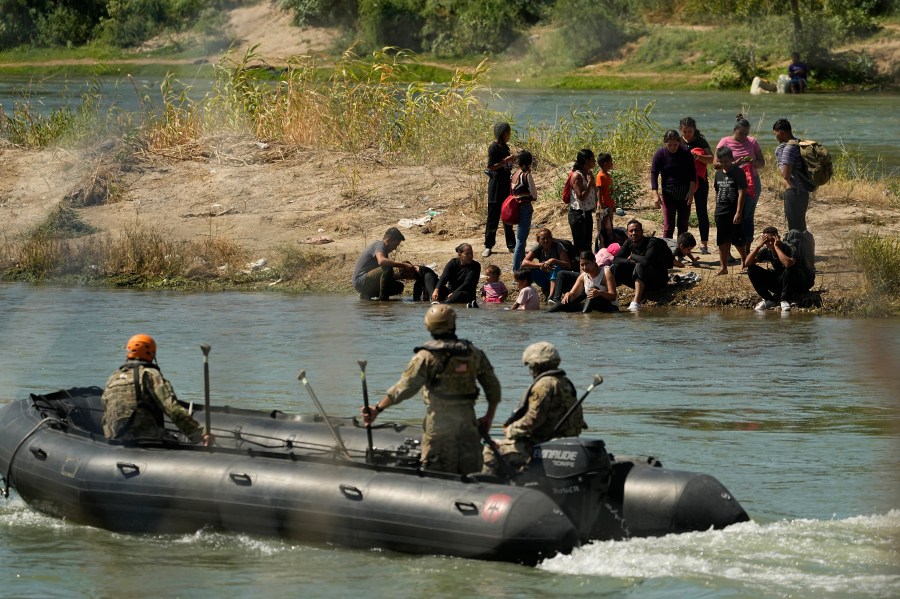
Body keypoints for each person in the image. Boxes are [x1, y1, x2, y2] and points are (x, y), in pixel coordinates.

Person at [361, 305, 501, 474]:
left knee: (435, 475)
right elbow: (493, 388)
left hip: (439, 428)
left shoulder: (426, 357)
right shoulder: (473, 353)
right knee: (471, 476)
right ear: (453, 323)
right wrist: (489, 417)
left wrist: (377, 409)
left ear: (429, 326)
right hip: (468, 428)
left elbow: (405, 388)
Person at [482, 342, 583, 474]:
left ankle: (483, 489)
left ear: (535, 365)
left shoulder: (544, 385)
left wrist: (511, 430)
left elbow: (533, 419)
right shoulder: (565, 382)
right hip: (562, 441)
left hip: (542, 445)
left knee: (491, 450)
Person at [101, 334, 209, 444]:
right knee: (176, 441)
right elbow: (171, 407)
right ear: (152, 354)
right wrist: (199, 434)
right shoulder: (150, 374)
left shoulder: (113, 378)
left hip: (116, 440)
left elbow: (106, 414)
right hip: (146, 438)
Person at [715, 114, 765, 255]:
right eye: (741, 133)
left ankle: (748, 252)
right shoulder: (724, 142)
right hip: (730, 181)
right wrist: (733, 164)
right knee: (730, 216)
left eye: (746, 133)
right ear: (734, 129)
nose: (744, 136)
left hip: (751, 181)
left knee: (747, 216)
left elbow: (762, 163)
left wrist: (752, 162)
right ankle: (728, 252)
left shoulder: (752, 142)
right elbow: (715, 164)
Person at [610, 219, 673, 312]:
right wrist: (630, 262)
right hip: (641, 278)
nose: (634, 233)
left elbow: (646, 261)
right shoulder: (628, 242)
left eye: (636, 230)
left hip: (657, 281)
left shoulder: (652, 243)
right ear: (627, 233)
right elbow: (616, 259)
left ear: (642, 232)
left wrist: (632, 256)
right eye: (631, 231)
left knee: (640, 266)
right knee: (615, 267)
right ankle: (612, 299)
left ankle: (636, 302)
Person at [745, 226, 809, 312]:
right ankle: (769, 299)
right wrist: (758, 246)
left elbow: (788, 264)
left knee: (788, 269)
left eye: (772, 240)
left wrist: (777, 247)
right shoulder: (766, 250)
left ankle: (784, 300)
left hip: (796, 283)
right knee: (751, 269)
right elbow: (747, 263)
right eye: (767, 241)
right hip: (781, 283)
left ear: (777, 238)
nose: (770, 243)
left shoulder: (789, 248)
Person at [651, 130, 697, 240]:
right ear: (665, 143)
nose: (672, 147)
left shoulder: (686, 152)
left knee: (683, 225)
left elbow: (692, 174)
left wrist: (691, 193)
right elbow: (654, 173)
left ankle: (680, 251)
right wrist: (655, 194)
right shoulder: (660, 154)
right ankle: (668, 251)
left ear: (679, 142)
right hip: (668, 193)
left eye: (675, 145)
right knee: (668, 226)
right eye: (669, 145)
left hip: (685, 193)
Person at [352, 227, 417, 300]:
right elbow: (381, 261)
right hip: (360, 281)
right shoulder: (379, 244)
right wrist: (403, 265)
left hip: (367, 281)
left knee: (399, 287)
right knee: (387, 267)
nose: (395, 248)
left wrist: (402, 276)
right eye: (395, 245)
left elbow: (385, 277)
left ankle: (367, 295)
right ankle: (383, 301)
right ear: (388, 240)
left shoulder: (384, 252)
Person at [713, 146, 748, 275]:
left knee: (737, 239)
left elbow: (742, 192)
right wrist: (716, 208)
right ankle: (723, 267)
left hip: (733, 212)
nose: (724, 164)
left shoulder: (738, 172)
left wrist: (739, 212)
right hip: (720, 211)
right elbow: (717, 191)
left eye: (727, 161)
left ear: (732, 159)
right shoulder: (718, 174)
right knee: (722, 240)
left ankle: (744, 261)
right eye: (721, 162)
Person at [483, 122, 516, 258]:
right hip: (496, 185)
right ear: (503, 133)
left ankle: (511, 245)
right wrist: (504, 162)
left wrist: (510, 162)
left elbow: (505, 165)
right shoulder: (494, 147)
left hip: (505, 184)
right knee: (493, 216)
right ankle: (488, 245)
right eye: (508, 133)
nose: (509, 135)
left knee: (508, 214)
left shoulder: (505, 147)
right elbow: (491, 167)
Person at [680, 117, 713, 254]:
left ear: (694, 130)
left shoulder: (700, 141)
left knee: (701, 212)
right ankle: (681, 244)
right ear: (680, 130)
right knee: (683, 212)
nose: (687, 134)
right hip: (683, 182)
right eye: (685, 131)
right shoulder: (679, 141)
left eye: (690, 131)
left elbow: (712, 159)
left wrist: (697, 156)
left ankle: (704, 244)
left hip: (701, 181)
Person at [773, 118, 810, 232]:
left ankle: (798, 249)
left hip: (794, 192)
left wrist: (779, 163)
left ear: (781, 132)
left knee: (794, 228)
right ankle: (806, 248)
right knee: (801, 224)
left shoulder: (788, 148)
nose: (776, 137)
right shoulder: (799, 143)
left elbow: (786, 175)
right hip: (803, 190)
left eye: (776, 134)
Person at [550, 251, 619, 313]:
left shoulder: (605, 273)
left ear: (594, 261)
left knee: (594, 289)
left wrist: (600, 293)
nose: (585, 267)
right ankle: (546, 315)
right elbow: (573, 294)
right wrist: (568, 294)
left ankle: (585, 316)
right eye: (582, 265)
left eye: (587, 264)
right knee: (561, 305)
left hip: (610, 307)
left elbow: (613, 296)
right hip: (591, 307)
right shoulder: (583, 276)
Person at [521, 227, 572, 301]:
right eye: (543, 238)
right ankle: (525, 293)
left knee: (555, 268)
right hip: (545, 277)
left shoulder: (558, 246)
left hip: (560, 279)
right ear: (538, 240)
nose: (546, 241)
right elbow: (524, 263)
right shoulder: (537, 247)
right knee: (528, 269)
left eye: (548, 238)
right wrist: (541, 264)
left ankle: (551, 296)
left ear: (551, 238)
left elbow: (568, 265)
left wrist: (554, 260)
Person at [567, 149, 598, 254]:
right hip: (578, 214)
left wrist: (592, 184)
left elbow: (593, 192)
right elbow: (581, 196)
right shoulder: (577, 176)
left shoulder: (588, 173)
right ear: (586, 161)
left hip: (587, 213)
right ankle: (578, 267)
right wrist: (589, 183)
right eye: (592, 159)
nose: (594, 161)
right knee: (580, 245)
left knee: (588, 243)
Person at [511, 150, 537, 272]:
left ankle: (520, 265)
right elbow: (534, 195)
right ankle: (517, 269)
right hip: (525, 208)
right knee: (521, 241)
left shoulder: (515, 174)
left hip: (516, 207)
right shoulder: (526, 175)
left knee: (520, 239)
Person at [594, 153, 615, 251]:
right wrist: (601, 205)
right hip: (604, 205)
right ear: (606, 163)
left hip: (609, 204)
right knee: (603, 229)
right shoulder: (600, 176)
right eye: (611, 161)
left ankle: (609, 246)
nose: (612, 163)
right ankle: (603, 248)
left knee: (609, 227)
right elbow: (599, 191)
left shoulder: (607, 175)